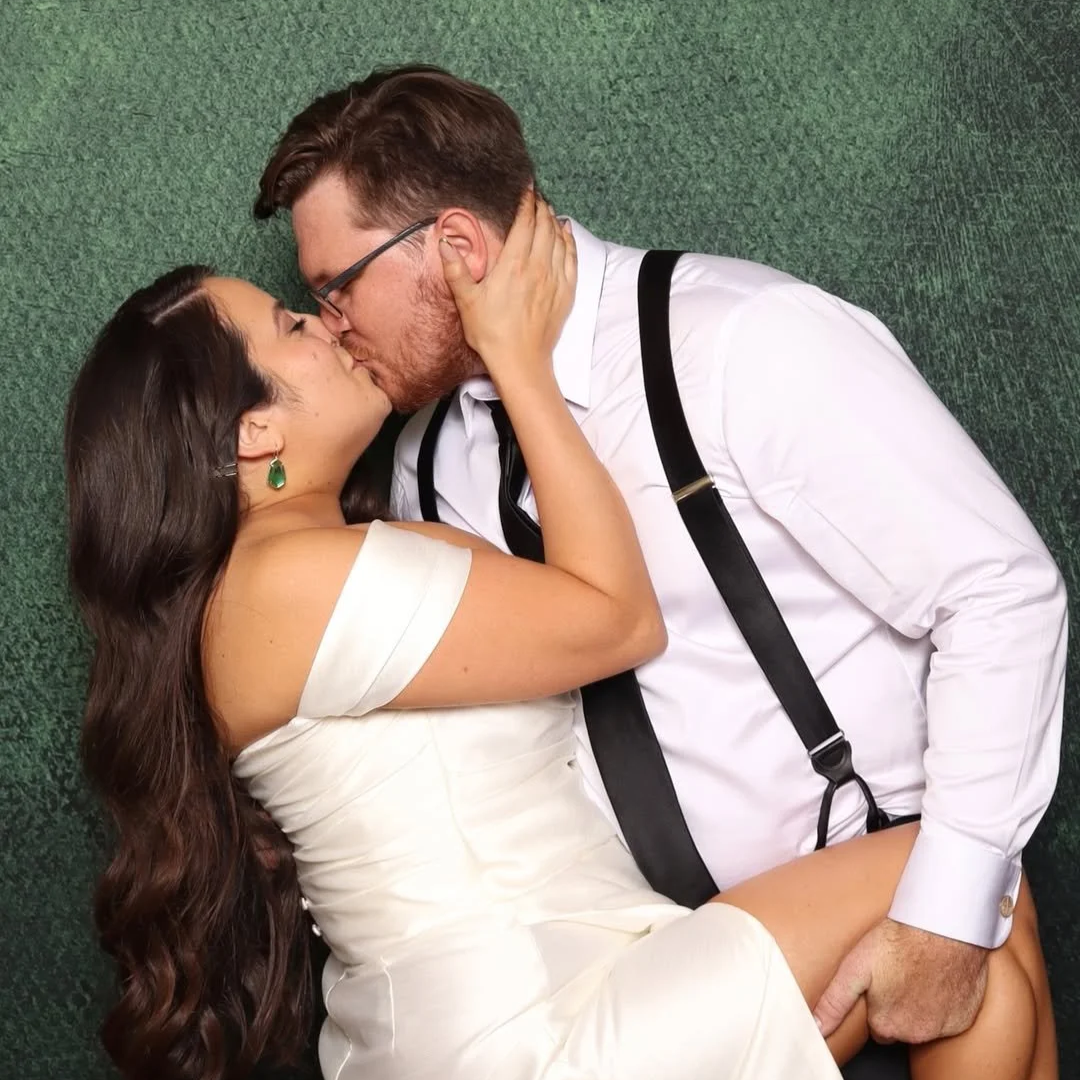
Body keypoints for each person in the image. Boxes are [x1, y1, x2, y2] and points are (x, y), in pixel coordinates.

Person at [66, 197, 1047, 1080]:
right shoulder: (285, 584)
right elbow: (617, 618)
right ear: (252, 434)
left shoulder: (339, 556)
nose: (326, 324)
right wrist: (521, 361)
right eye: (291, 325)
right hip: (530, 1033)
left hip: (552, 993)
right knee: (960, 884)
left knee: (975, 960)